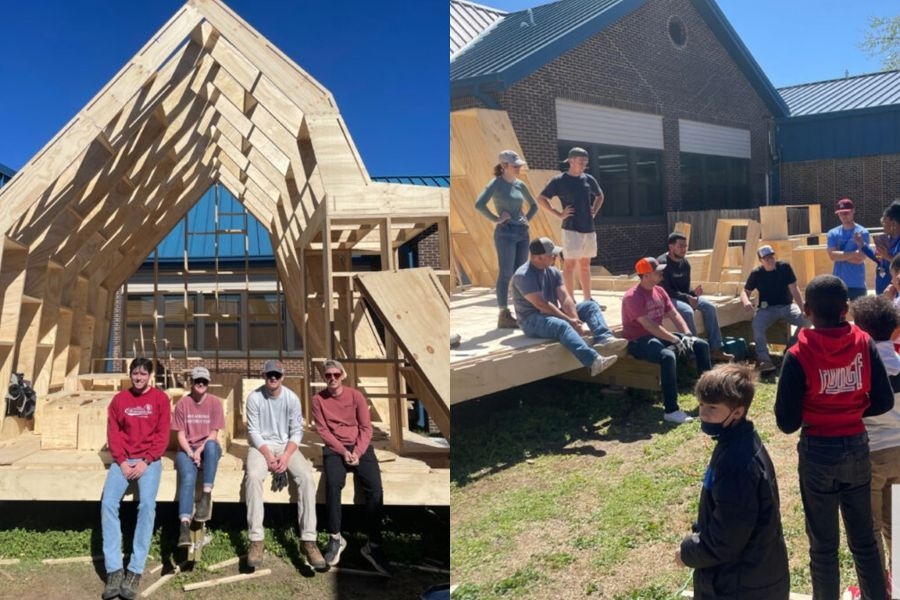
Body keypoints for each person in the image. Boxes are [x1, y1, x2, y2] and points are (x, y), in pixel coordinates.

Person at [774, 275, 893, 599]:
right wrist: (851, 409)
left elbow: (786, 422)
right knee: (865, 544)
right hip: (856, 448)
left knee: (823, 546)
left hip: (817, 454)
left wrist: (820, 408)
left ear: (807, 310)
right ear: (846, 309)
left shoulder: (798, 352)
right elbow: (884, 401)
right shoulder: (863, 342)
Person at [676, 364, 790, 599]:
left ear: (737, 412)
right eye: (701, 406)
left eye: (712, 408)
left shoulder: (736, 464)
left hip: (741, 584)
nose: (703, 414)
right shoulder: (739, 441)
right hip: (754, 574)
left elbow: (726, 541)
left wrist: (688, 552)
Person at [244, 359, 326, 571]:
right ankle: (256, 539)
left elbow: (296, 431)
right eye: (269, 374)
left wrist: (287, 456)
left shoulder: (292, 399)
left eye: (277, 375)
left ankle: (308, 540)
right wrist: (269, 456)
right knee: (253, 476)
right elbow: (253, 431)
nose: (273, 378)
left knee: (306, 478)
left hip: (287, 445)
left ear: (283, 376)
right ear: (264, 376)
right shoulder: (254, 398)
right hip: (261, 446)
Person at [311, 359, 390, 575]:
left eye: (336, 375)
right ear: (325, 378)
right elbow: (324, 431)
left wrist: (358, 451)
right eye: (328, 376)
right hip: (335, 448)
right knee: (334, 484)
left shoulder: (356, 396)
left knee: (375, 489)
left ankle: (373, 544)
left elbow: (366, 427)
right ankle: (335, 537)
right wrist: (343, 452)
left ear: (343, 376)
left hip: (359, 445)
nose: (332, 379)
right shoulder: (318, 400)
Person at [101, 358, 171, 600]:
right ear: (130, 375)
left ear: (150, 375)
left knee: (147, 505)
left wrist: (146, 461)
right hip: (123, 459)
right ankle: (114, 570)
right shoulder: (119, 400)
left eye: (143, 374)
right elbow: (114, 432)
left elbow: (162, 435)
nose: (139, 378)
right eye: (135, 374)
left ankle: (135, 569)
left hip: (148, 461)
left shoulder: (160, 399)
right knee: (108, 504)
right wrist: (121, 461)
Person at [511, 236, 626, 377]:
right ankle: (593, 362)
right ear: (537, 257)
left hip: (550, 314)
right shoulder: (523, 275)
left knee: (589, 306)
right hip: (531, 320)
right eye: (551, 255)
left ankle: (604, 338)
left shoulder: (552, 271)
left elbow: (565, 297)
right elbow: (541, 305)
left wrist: (574, 319)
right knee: (562, 325)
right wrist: (568, 321)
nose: (555, 257)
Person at [621, 256, 711, 424]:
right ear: (646, 275)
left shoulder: (660, 291)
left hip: (658, 336)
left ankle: (709, 398)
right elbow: (649, 326)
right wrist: (675, 340)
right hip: (638, 341)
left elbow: (674, 314)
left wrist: (687, 334)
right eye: (658, 271)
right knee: (667, 356)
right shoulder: (632, 297)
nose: (662, 273)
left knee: (701, 345)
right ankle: (671, 410)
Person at [849, 294, 900, 584]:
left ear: (862, 331)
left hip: (870, 455)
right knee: (897, 523)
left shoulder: (860, 368)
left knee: (869, 530)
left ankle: (876, 588)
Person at [475, 149, 539, 329]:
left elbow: (534, 205)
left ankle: (522, 311)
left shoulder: (520, 184)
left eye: (519, 165)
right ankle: (504, 314)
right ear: (504, 166)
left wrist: (527, 219)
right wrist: (496, 218)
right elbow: (479, 204)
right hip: (505, 233)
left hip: (522, 232)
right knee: (506, 274)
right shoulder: (496, 183)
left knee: (521, 273)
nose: (518, 168)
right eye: (515, 165)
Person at [537, 146, 604, 302]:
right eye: (581, 161)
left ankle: (588, 299)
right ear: (571, 161)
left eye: (585, 162)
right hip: (571, 228)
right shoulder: (559, 180)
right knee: (569, 265)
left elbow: (600, 196)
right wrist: (558, 214)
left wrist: (594, 209)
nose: (583, 165)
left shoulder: (588, 179)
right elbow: (541, 199)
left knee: (585, 265)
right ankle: (570, 299)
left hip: (588, 228)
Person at [658, 231, 734, 362]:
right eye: (680, 246)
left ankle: (715, 349)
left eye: (685, 246)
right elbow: (665, 291)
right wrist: (687, 299)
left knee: (710, 307)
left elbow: (685, 287)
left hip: (682, 296)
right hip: (666, 298)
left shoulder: (685, 263)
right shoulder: (662, 263)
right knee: (687, 312)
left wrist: (693, 293)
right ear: (671, 247)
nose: (684, 249)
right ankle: (693, 354)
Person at [172, 365, 225, 548]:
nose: (201, 384)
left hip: (206, 447)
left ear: (208, 383)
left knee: (211, 445)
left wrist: (199, 451)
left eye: (204, 381)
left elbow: (214, 433)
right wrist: (189, 452)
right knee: (187, 478)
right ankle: (184, 527)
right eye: (197, 381)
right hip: (187, 448)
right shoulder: (182, 404)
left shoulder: (215, 403)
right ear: (191, 383)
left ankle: (206, 496)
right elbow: (179, 435)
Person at [739, 245, 809, 374]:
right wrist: (746, 301)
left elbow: (794, 289)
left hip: (787, 306)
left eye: (771, 257)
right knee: (757, 325)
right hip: (767, 309)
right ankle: (765, 360)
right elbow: (745, 291)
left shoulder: (784, 267)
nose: (770, 260)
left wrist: (803, 308)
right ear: (761, 261)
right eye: (766, 258)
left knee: (807, 320)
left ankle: (791, 348)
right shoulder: (756, 273)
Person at [826, 197, 870, 300]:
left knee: (859, 315)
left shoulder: (863, 232)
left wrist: (840, 255)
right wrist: (854, 253)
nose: (843, 216)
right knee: (838, 315)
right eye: (841, 213)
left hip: (857, 283)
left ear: (853, 211)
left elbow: (860, 258)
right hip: (838, 283)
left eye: (846, 212)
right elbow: (832, 256)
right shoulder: (832, 233)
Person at [859, 201, 900, 294]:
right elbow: (879, 259)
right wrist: (862, 245)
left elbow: (897, 264)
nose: (882, 223)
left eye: (884, 220)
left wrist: (887, 256)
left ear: (893, 223)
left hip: (894, 294)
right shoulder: (886, 240)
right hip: (882, 290)